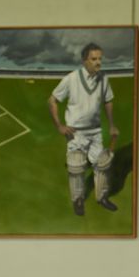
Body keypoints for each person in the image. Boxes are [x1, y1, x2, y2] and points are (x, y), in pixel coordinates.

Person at [48, 42, 119, 216]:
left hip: (95, 131)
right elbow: (52, 100)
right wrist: (59, 126)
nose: (98, 62)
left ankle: (101, 197)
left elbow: (108, 101)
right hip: (75, 132)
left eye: (100, 59)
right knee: (76, 166)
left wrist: (111, 125)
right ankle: (78, 200)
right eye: (93, 59)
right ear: (84, 60)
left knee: (102, 164)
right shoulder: (71, 78)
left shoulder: (104, 79)